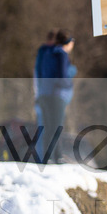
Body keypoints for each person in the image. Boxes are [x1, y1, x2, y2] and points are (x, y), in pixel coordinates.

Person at [33, 29, 76, 163]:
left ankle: (51, 157)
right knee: (56, 127)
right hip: (56, 95)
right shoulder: (61, 54)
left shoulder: (46, 53)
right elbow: (62, 75)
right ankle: (56, 157)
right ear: (68, 42)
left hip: (44, 94)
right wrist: (69, 84)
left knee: (48, 127)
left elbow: (40, 73)